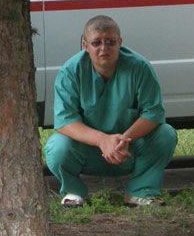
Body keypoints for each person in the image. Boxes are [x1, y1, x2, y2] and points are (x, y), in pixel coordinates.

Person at [44, 15, 178, 207]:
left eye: (110, 42)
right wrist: (102, 140)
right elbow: (65, 122)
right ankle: (73, 192)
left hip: (127, 150)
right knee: (57, 146)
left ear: (120, 43)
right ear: (85, 46)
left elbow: (153, 114)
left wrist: (122, 141)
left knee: (166, 134)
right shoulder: (71, 71)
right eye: (96, 43)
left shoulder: (140, 67)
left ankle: (140, 192)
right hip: (88, 151)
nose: (104, 48)